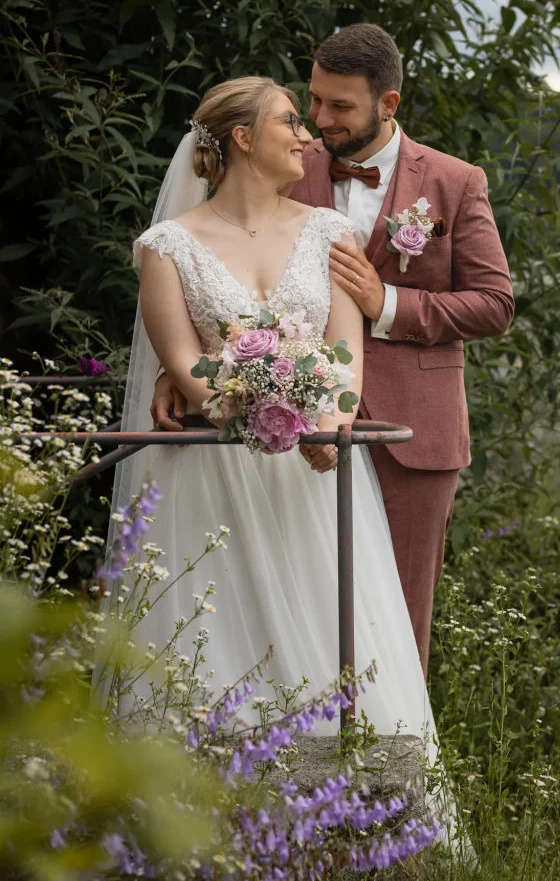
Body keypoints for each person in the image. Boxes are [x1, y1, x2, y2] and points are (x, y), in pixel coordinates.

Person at [152, 25, 515, 674]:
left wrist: (389, 304)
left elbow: (494, 304)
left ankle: (389, 767)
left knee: (399, 622)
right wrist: (179, 365)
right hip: (288, 426)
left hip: (414, 434)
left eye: (338, 106)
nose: (319, 121)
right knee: (287, 608)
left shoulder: (456, 183)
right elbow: (223, 265)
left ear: (388, 104)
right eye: (313, 101)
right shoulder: (284, 164)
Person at [116, 74, 443, 769]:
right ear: (241, 138)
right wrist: (270, 411)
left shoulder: (332, 231)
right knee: (215, 644)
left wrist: (330, 419)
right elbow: (184, 367)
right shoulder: (167, 247)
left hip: (314, 474)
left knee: (336, 637)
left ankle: (358, 820)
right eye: (290, 121)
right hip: (213, 479)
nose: (306, 134)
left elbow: (346, 356)